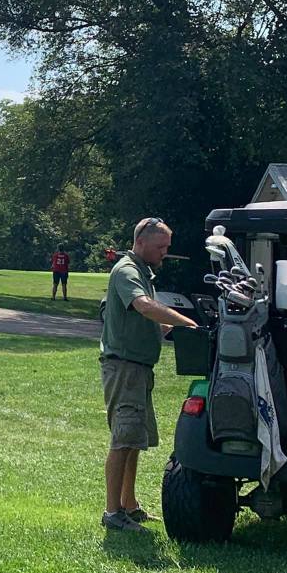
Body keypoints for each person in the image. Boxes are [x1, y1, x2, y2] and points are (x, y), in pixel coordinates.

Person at [100, 217, 197, 531]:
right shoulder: (128, 270)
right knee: (122, 439)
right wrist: (186, 322)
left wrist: (164, 327)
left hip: (138, 368)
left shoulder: (143, 271)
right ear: (141, 242)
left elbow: (143, 316)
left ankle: (129, 505)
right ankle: (113, 513)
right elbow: (142, 305)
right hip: (125, 368)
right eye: (161, 246)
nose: (165, 252)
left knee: (134, 440)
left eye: (167, 247)